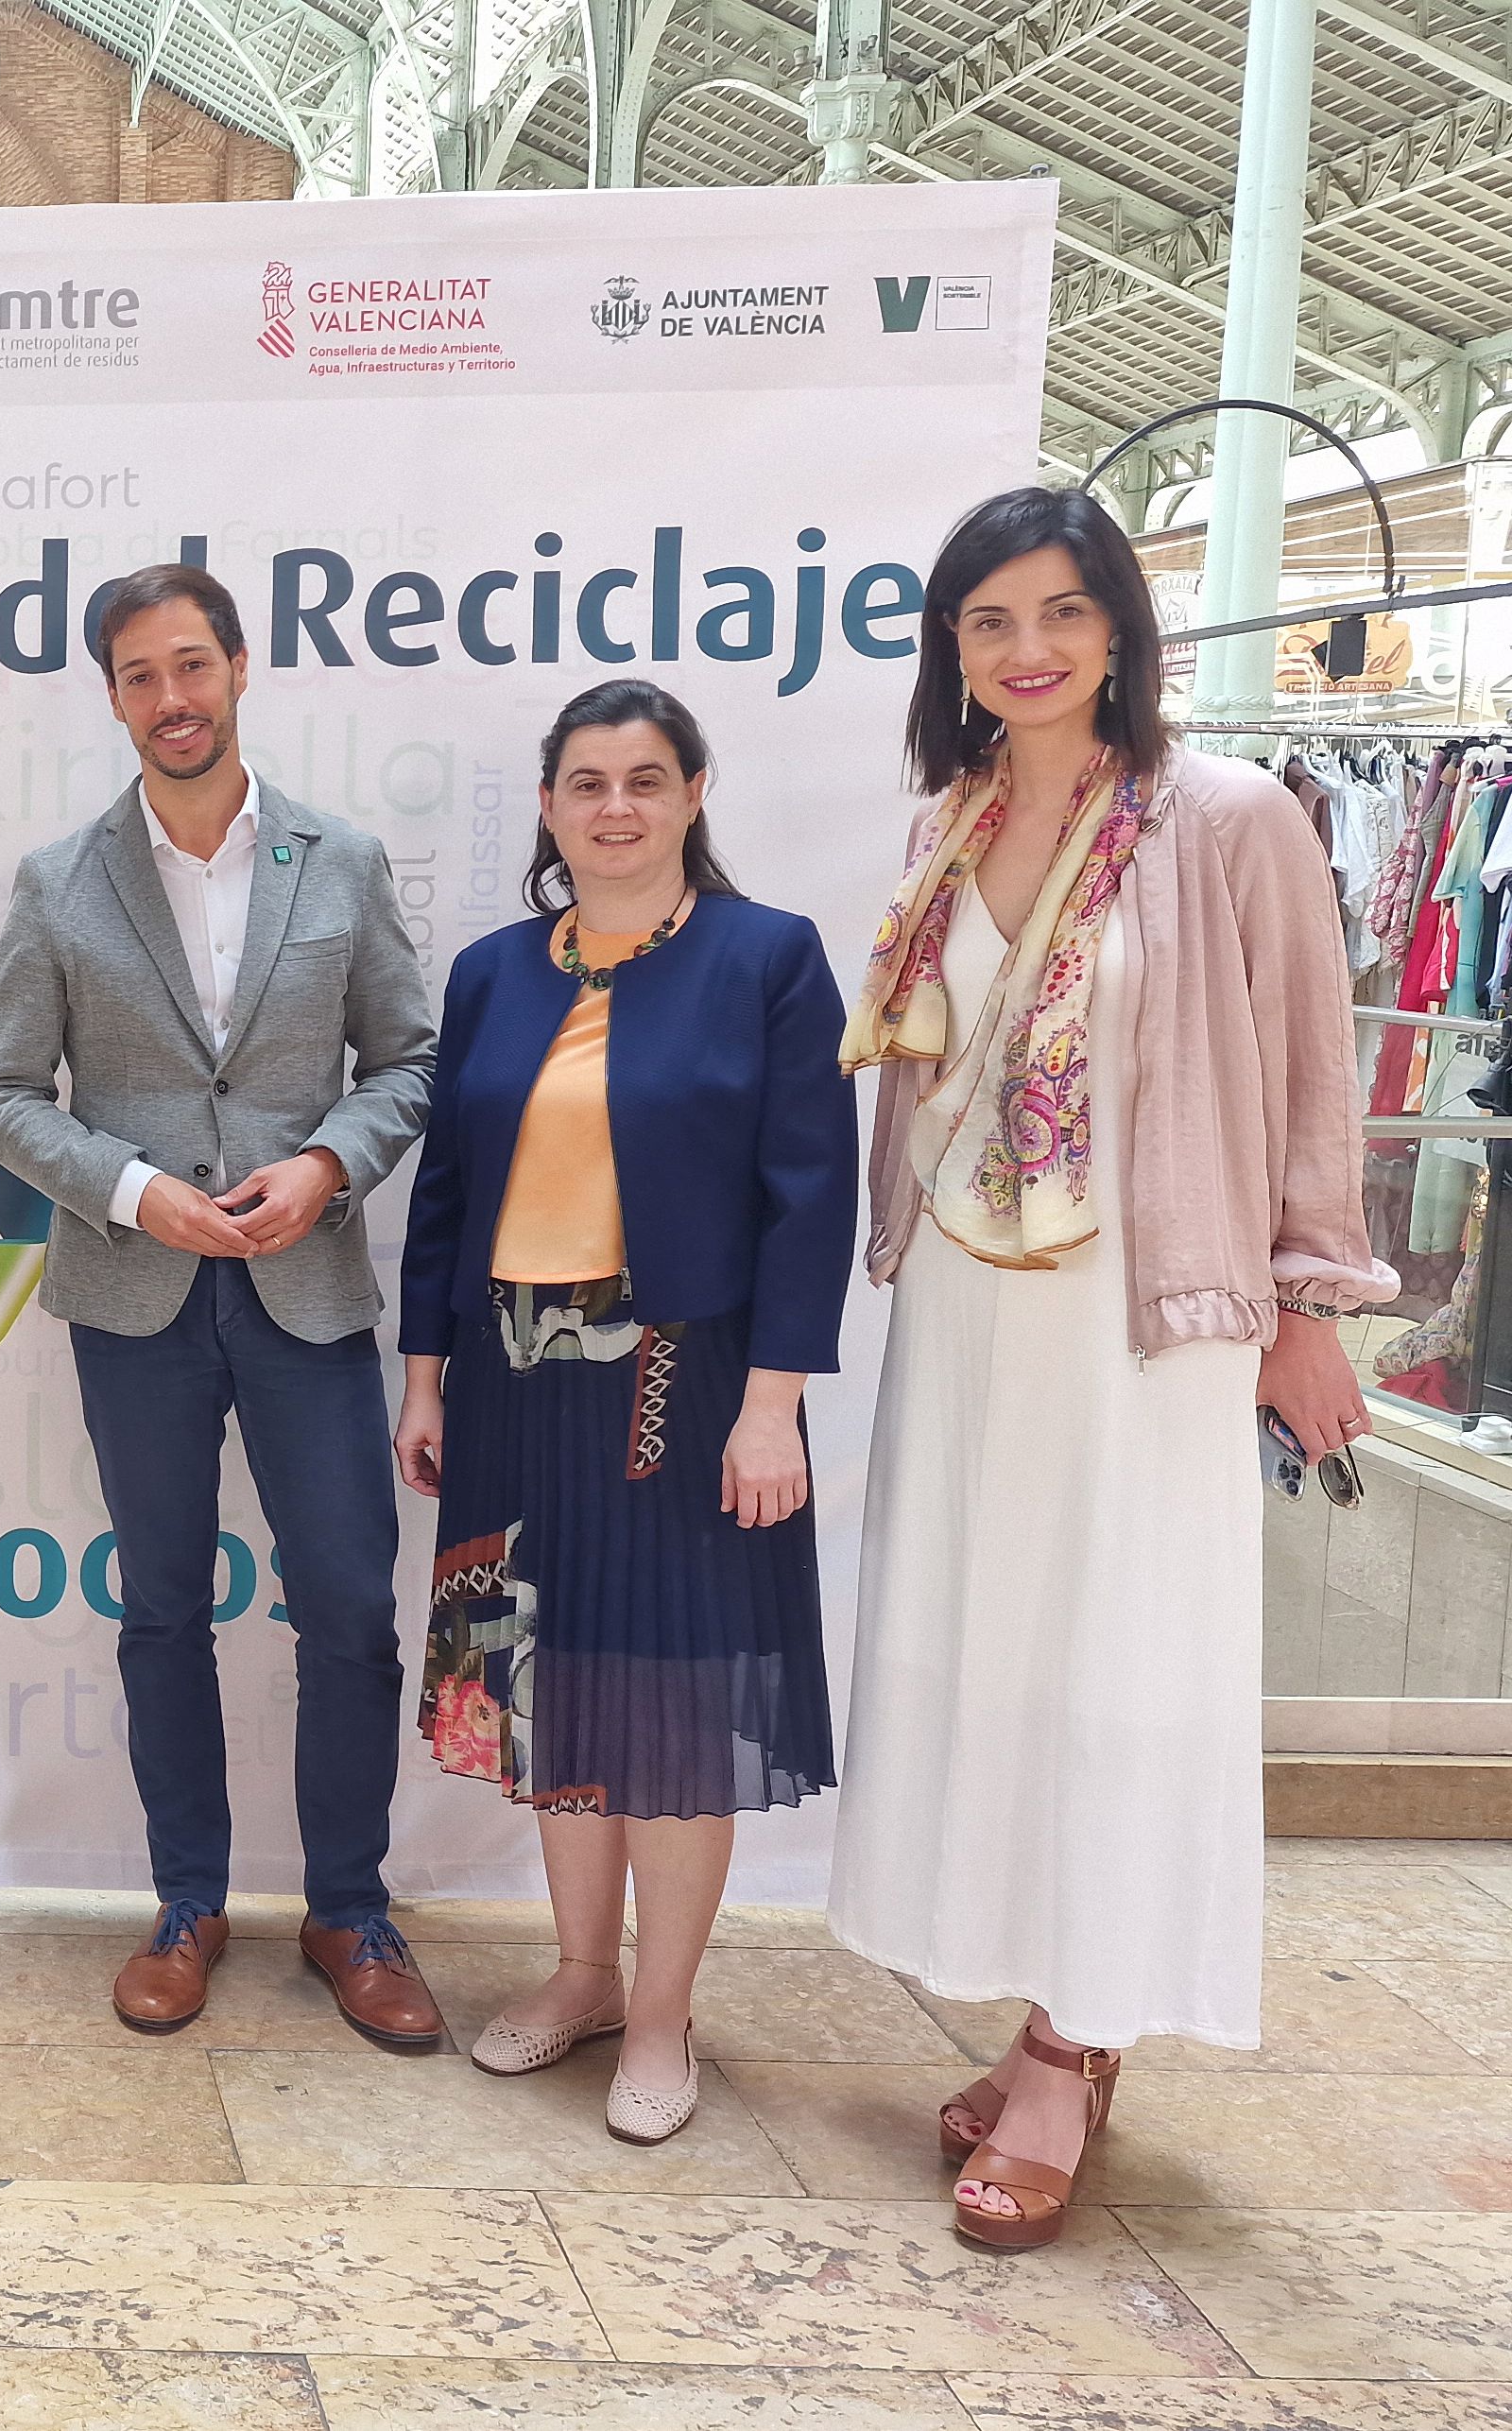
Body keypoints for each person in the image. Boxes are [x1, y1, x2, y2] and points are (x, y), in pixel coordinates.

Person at [828, 486, 1391, 2250]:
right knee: (1001, 1661)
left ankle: (1077, 2049)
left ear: (1124, 628)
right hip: (976, 1315)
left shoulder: (1229, 820)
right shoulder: (955, 811)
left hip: (1147, 1327)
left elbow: (1313, 1070)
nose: (1029, 650)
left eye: (1062, 611)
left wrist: (1304, 1303)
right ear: (953, 652)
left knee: (1126, 1662)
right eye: (989, 622)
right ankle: (1049, 1999)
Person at [0, 561, 442, 2043]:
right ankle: (187, 1904)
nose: (170, 699)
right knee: (163, 1613)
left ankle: (352, 1914)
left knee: (354, 1608)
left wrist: (326, 1166)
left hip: (308, 1289)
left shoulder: (342, 861)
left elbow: (410, 1065)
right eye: (138, 677)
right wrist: (127, 1188)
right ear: (112, 697)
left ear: (242, 667)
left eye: (192, 665)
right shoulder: (61, 881)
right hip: (137, 1295)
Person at [392, 679, 858, 2145]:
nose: (614, 807)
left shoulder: (767, 959)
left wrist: (772, 1403)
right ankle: (583, 1973)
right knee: (542, 1693)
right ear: (548, 806)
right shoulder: (490, 972)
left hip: (687, 1382)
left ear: (695, 792)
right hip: (512, 1379)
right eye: (585, 782)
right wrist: (426, 1374)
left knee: (673, 1708)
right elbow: (447, 1192)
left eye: (645, 780)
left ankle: (664, 2015)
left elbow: (809, 1196)